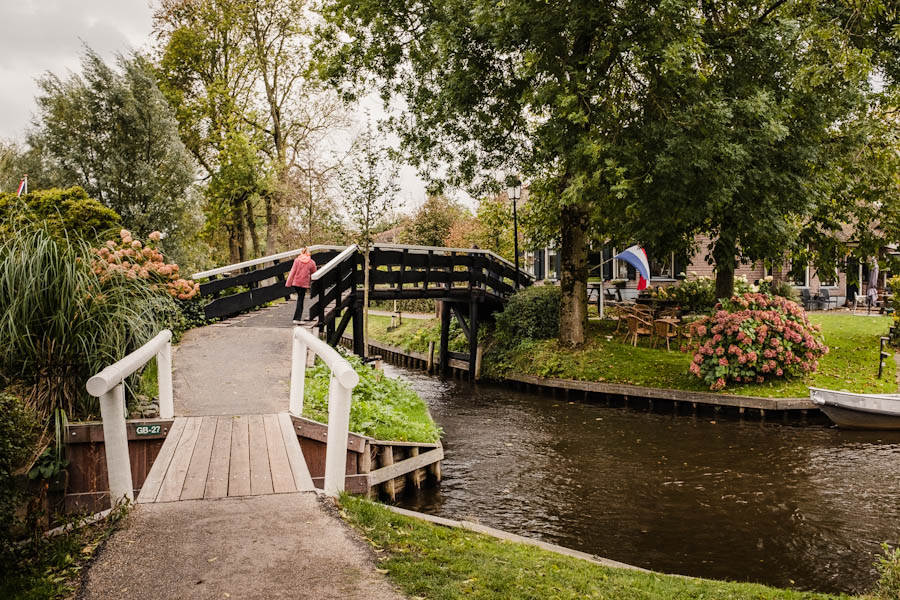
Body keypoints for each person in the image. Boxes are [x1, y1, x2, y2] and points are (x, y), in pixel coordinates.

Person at [285, 248, 317, 324]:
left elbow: (293, 271)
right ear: (308, 254)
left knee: (300, 299)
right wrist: (315, 282)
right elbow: (314, 273)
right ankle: (297, 319)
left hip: (296, 283)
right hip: (303, 284)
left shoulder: (297, 260)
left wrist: (288, 283)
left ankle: (297, 318)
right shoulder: (311, 262)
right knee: (300, 300)